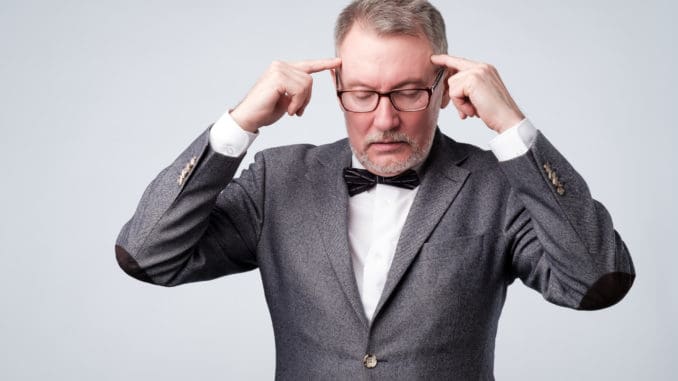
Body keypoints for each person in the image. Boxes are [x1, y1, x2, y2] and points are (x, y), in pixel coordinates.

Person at [115, 0, 635, 379]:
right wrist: (240, 123)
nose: (385, 120)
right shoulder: (279, 180)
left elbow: (595, 282)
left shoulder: (498, 185)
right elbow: (148, 255)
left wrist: (515, 131)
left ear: (445, 89)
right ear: (337, 90)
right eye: (362, 94)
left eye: (409, 92)